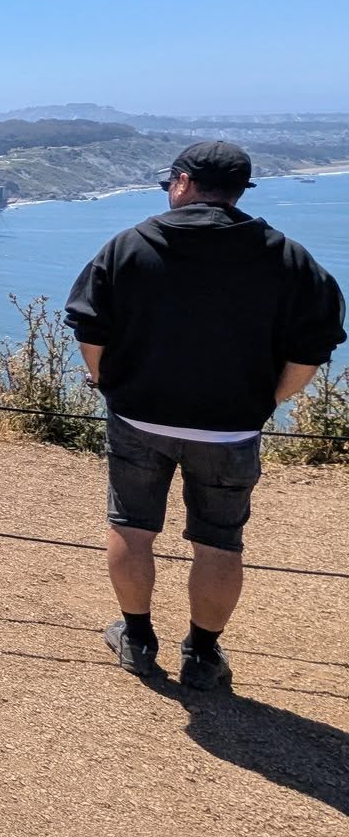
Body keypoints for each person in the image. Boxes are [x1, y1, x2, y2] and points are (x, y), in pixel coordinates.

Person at [66, 140, 344, 689]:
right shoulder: (288, 257)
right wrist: (268, 401)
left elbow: (90, 330)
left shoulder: (129, 245)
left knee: (131, 528)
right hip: (230, 428)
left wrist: (108, 385)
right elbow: (312, 349)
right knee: (219, 542)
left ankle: (137, 639)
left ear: (184, 182)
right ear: (239, 191)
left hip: (139, 418)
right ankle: (202, 655)